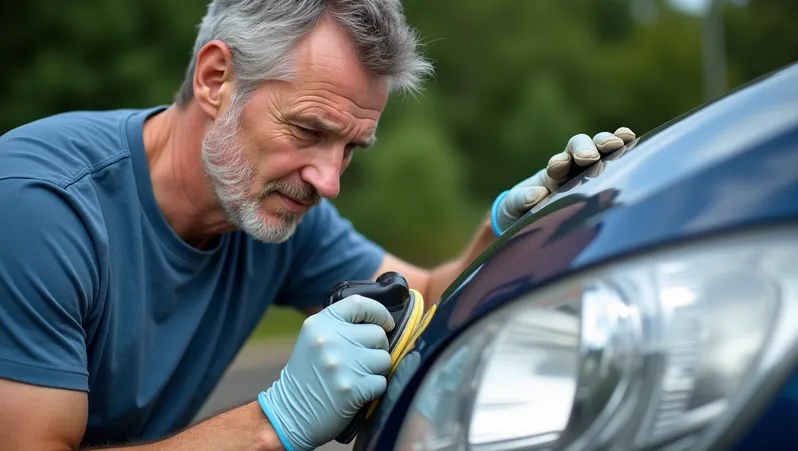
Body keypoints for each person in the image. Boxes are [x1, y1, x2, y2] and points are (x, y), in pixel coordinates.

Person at [0, 1, 635, 450]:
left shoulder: (274, 212)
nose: (329, 181)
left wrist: (514, 232)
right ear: (216, 79)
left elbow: (422, 300)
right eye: (308, 131)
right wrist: (272, 423)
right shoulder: (40, 209)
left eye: (351, 148)